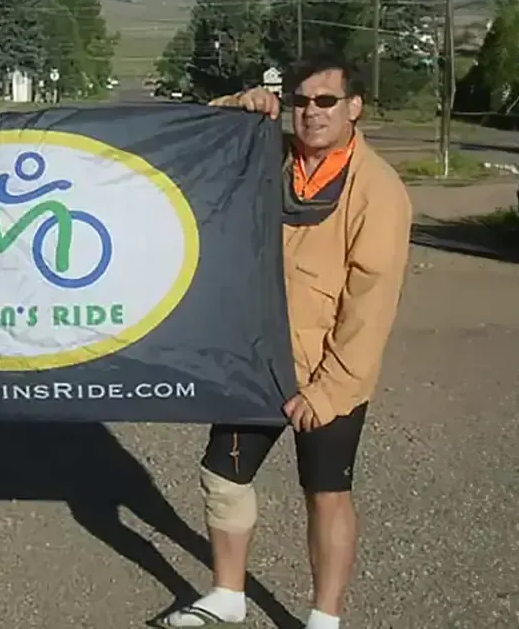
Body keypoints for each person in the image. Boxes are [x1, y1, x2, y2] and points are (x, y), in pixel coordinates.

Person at [160, 55, 412, 629]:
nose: (311, 112)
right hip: (256, 359)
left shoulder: (379, 192)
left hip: (326, 372)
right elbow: (195, 141)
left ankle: (325, 617)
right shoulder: (265, 155)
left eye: (326, 101)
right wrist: (236, 107)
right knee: (222, 476)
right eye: (301, 101)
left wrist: (327, 394)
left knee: (326, 493)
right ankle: (227, 594)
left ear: (354, 108)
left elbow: (369, 312)